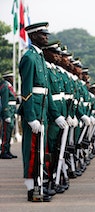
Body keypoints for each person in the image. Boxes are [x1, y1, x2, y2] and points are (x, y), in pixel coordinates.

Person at [18, 22, 68, 202]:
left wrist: (57, 115)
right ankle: (32, 191)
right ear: (32, 36)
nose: (46, 37)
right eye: (42, 34)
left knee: (41, 152)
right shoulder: (29, 58)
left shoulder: (40, 59)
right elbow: (27, 90)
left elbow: (47, 92)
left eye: (46, 34)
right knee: (31, 152)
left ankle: (40, 185)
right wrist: (30, 117)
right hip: (34, 113)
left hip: (43, 113)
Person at [0, 71, 17, 159]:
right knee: (6, 133)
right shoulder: (5, 87)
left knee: (10, 133)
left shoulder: (9, 87)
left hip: (12, 111)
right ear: (7, 78)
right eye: (11, 77)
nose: (13, 79)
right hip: (8, 112)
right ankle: (3, 151)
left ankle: (8, 150)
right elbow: (5, 101)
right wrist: (6, 115)